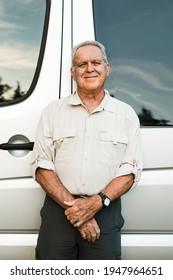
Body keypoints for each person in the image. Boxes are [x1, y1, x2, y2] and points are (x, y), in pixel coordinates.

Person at [31, 40, 142, 260]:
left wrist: (95, 203)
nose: (89, 69)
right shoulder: (53, 112)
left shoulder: (126, 114)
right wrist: (78, 210)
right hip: (58, 210)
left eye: (96, 63)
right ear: (73, 72)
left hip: (106, 211)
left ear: (106, 69)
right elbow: (42, 166)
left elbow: (130, 171)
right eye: (82, 64)